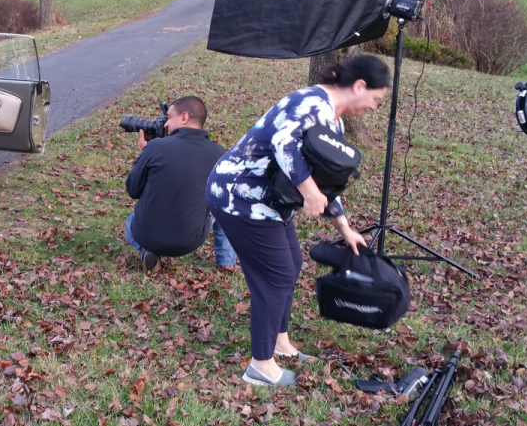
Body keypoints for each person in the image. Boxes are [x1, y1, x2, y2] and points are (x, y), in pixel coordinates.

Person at [207, 55, 390, 387]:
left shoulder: (333, 121)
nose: (375, 107)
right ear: (360, 86)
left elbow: (327, 178)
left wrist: (344, 227)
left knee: (290, 265)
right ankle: (260, 366)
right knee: (276, 277)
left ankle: (280, 343)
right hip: (239, 195)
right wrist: (307, 191)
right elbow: (283, 143)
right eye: (376, 99)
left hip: (269, 202)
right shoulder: (310, 103)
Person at [125, 96, 237, 273]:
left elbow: (133, 190)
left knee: (130, 221)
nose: (165, 124)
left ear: (184, 117)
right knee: (224, 206)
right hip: (189, 241)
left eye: (169, 118)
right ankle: (227, 262)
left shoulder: (155, 148)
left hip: (147, 236)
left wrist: (144, 154)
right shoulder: (218, 153)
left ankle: (147, 251)